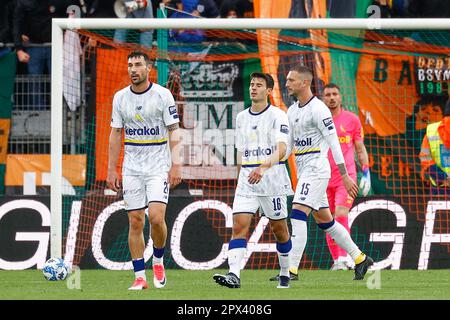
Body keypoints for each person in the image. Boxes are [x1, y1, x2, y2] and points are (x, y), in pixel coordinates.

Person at [270, 65, 373, 282]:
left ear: (304, 83)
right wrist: (271, 160)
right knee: (326, 221)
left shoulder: (319, 109)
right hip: (304, 171)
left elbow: (334, 143)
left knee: (297, 214)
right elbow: (290, 147)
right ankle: (360, 258)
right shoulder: (292, 110)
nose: (286, 83)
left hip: (317, 171)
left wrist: (345, 175)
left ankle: (290, 270)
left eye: (291, 80)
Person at [107, 50, 182, 290]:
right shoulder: (119, 98)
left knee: (157, 218)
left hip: (158, 165)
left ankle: (158, 260)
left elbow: (174, 131)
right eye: (130, 65)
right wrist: (111, 168)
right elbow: (116, 134)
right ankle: (140, 277)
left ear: (148, 68)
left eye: (138, 65)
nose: (133, 69)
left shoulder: (163, 95)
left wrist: (176, 164)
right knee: (136, 220)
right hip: (132, 167)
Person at [213, 72, 294, 289]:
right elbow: (240, 151)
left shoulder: (278, 115)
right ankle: (234, 275)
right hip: (247, 180)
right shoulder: (241, 117)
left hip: (272, 177)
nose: (253, 88)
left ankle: (285, 274)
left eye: (259, 85)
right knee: (239, 226)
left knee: (280, 229)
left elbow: (283, 148)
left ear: (268, 91)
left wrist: (262, 168)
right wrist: (241, 176)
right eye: (251, 84)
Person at [321, 83, 371, 270]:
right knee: (328, 219)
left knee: (341, 214)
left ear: (340, 97)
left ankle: (348, 256)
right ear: (323, 98)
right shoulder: (318, 120)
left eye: (335, 94)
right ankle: (338, 261)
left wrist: (366, 171)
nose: (332, 97)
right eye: (328, 95)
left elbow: (359, 147)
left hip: (346, 178)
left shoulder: (352, 120)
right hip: (324, 177)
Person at [419, 99, 450, 194]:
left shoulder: (431, 131)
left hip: (440, 189)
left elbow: (425, 158)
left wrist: (443, 178)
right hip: (440, 189)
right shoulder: (431, 131)